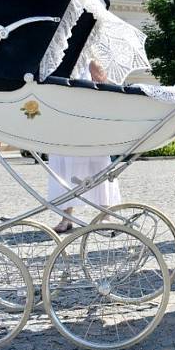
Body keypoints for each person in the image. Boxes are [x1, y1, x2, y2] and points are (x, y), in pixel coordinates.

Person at [51, 61, 121, 233]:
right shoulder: (58, 60)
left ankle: (106, 214)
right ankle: (66, 217)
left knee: (99, 167)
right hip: (65, 124)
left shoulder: (93, 63)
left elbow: (105, 91)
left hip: (90, 123)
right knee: (66, 170)